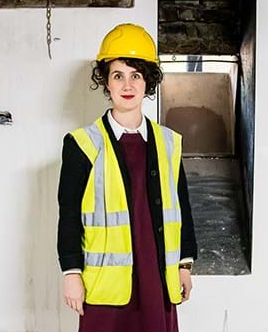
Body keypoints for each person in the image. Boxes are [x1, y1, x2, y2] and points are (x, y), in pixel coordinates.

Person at [57, 23, 198, 332]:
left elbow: (182, 208)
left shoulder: (169, 143)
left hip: (157, 276)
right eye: (118, 75)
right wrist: (71, 273)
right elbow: (68, 215)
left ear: (147, 81)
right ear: (105, 82)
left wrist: (184, 265)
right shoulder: (82, 144)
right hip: (106, 285)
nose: (127, 84)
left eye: (136, 75)